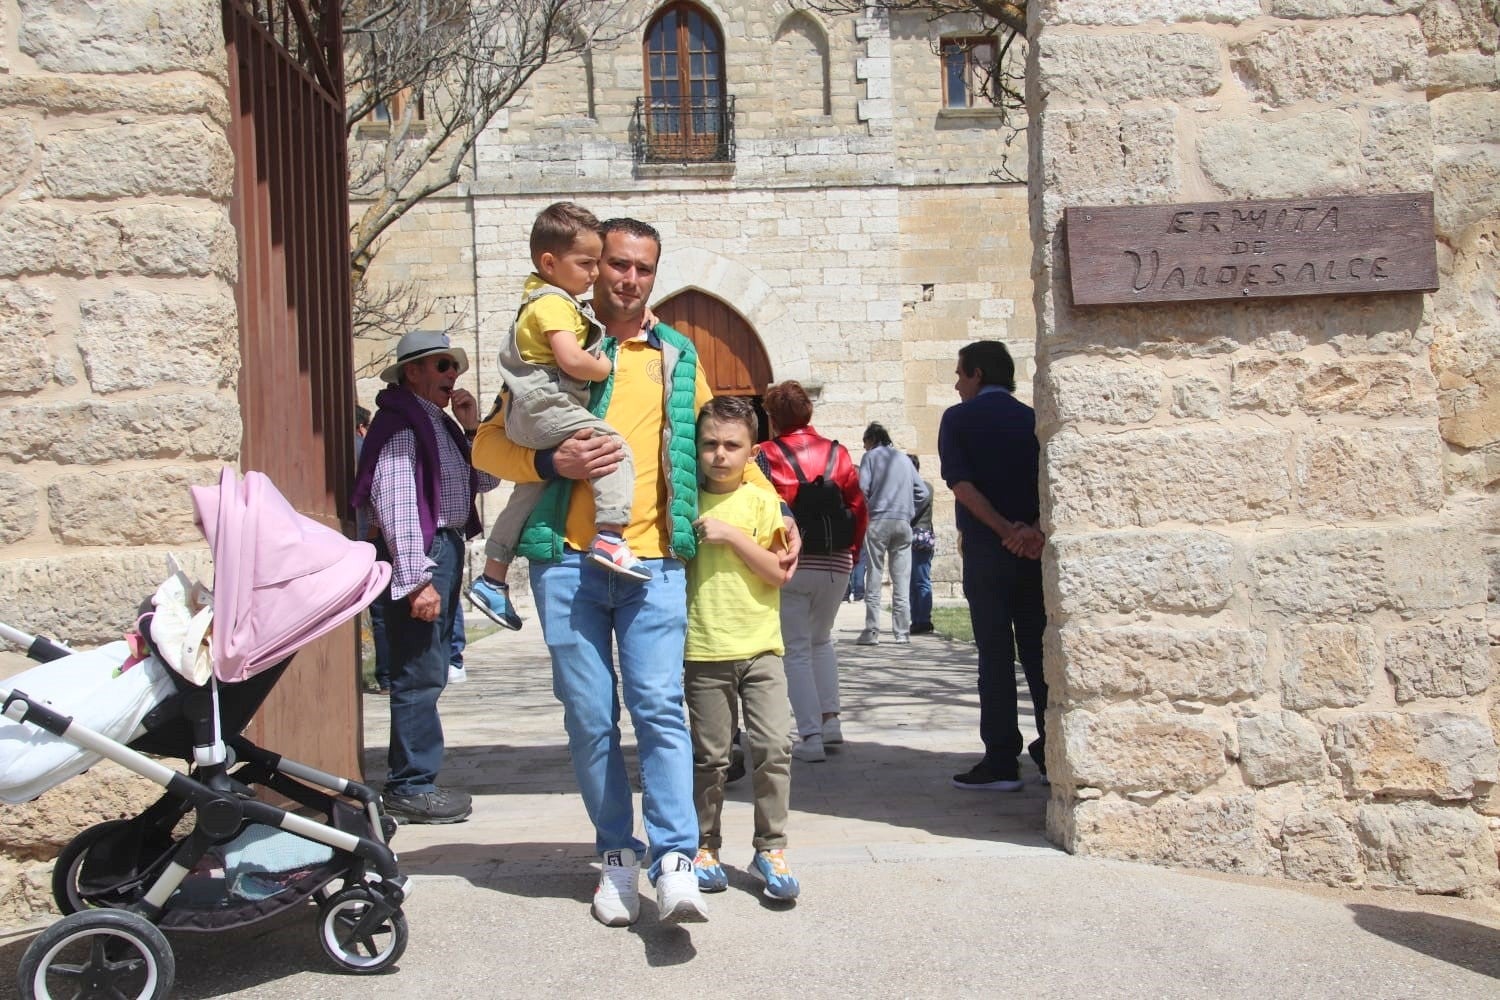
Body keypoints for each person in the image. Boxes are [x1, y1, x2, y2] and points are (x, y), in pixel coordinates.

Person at [472, 218, 798, 927]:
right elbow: (487, 445)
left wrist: (775, 507)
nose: (629, 279)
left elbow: (726, 439)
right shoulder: (556, 344)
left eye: (643, 269)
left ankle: (674, 858)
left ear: (655, 274)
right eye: (617, 265)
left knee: (659, 712)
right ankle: (616, 858)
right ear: (595, 270)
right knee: (590, 719)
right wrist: (546, 463)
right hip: (566, 562)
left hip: (653, 563)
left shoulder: (676, 354)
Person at [468, 202, 645, 636]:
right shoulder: (553, 304)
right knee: (612, 447)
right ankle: (610, 535)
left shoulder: (549, 301)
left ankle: (492, 577)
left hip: (532, 409)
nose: (595, 274)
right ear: (550, 262)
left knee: (528, 490)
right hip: (543, 403)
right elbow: (569, 358)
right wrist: (602, 367)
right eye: (590, 263)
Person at [351, 330, 499, 823]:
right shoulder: (400, 426)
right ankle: (410, 785)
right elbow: (394, 502)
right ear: (411, 372)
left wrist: (473, 426)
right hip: (426, 550)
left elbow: (486, 479)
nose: (451, 374)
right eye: (440, 366)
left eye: (452, 366)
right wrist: (416, 579)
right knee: (418, 672)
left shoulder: (438, 424)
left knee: (428, 668)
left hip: (444, 545)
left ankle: (413, 779)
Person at [684, 396, 800, 901]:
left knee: (774, 746)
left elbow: (778, 572)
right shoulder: (683, 501)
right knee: (711, 758)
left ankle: (770, 846)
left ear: (752, 451)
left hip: (760, 647)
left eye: (732, 445)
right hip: (703, 646)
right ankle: (704, 846)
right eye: (709, 444)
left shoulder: (761, 503)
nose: (720, 455)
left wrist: (732, 536)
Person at [938, 340, 1048, 791]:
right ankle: (1052, 751)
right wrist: (1032, 531)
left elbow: (960, 484)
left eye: (961, 374)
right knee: (1041, 654)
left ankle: (1002, 759)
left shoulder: (958, 419)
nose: (957, 383)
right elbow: (1054, 476)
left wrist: (1003, 530)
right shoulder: (1034, 419)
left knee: (995, 654)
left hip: (987, 552)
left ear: (978, 374)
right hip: (1035, 553)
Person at [760, 380, 867, 763]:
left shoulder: (765, 454)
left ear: (772, 418)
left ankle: (810, 736)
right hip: (837, 560)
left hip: (794, 560)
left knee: (796, 650)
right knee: (822, 640)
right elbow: (858, 506)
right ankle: (831, 720)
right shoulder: (838, 453)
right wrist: (852, 552)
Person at [855, 422, 927, 645]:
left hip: (878, 520)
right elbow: (923, 492)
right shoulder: (904, 459)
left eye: (865, 443)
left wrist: (869, 507)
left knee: (874, 574)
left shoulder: (870, 458)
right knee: (901, 579)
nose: (865, 448)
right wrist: (908, 509)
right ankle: (902, 633)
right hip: (903, 522)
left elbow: (862, 488)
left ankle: (872, 631)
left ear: (871, 440)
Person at [908, 453, 936, 636]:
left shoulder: (924, 488)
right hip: (914, 537)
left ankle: (924, 620)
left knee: (921, 580)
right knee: (912, 581)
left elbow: (912, 510)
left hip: (920, 536)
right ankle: (916, 619)